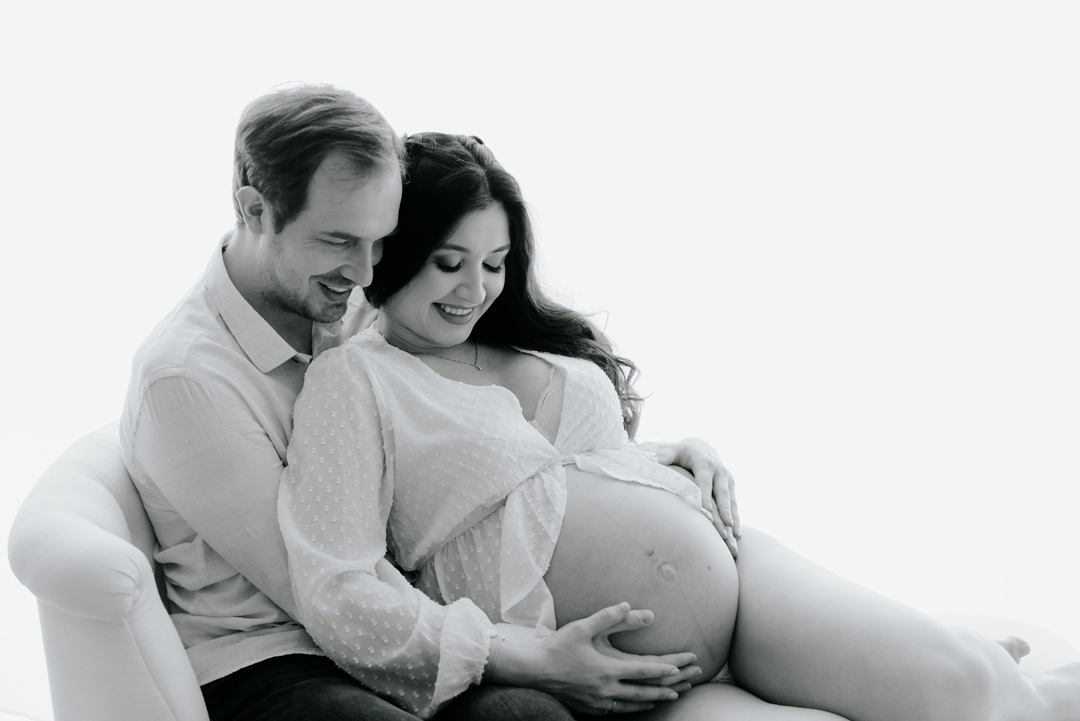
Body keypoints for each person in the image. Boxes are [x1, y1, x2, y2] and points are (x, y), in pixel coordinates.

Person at [279, 132, 1080, 721]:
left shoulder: (521, 341)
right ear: (396, 250)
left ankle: (1016, 681)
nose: (475, 290)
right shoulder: (356, 379)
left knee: (965, 684)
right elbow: (338, 587)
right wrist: (507, 654)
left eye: (495, 263)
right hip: (634, 679)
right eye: (448, 262)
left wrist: (677, 454)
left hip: (743, 576)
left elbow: (576, 470)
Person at [120, 84, 726, 721]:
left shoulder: (336, 296)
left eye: (380, 241)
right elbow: (322, 579)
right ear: (254, 210)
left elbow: (445, 436)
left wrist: (650, 466)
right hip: (274, 659)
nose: (366, 273)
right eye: (338, 240)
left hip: (413, 620)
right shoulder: (185, 379)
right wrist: (529, 657)